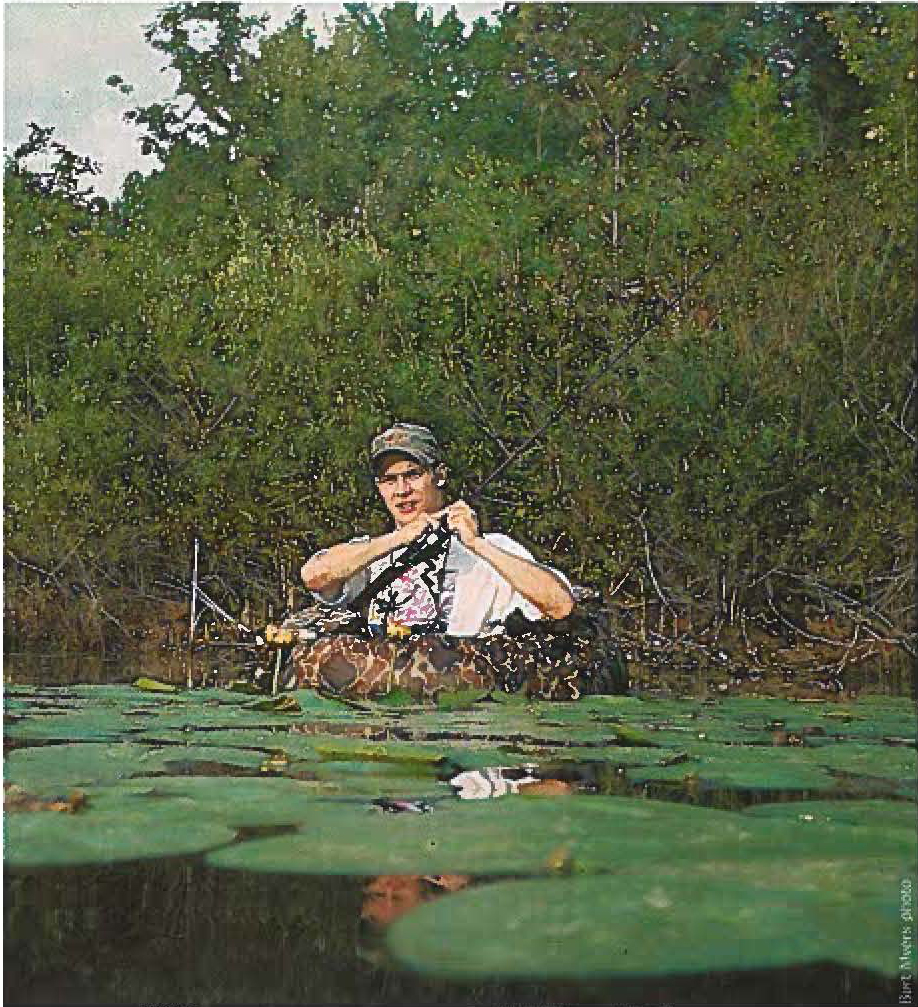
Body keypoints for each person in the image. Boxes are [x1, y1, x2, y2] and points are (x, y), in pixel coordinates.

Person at [280, 423, 625, 700]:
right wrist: (401, 537)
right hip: (380, 697)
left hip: (459, 697)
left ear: (439, 476)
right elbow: (314, 575)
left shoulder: (491, 548)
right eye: (389, 480)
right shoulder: (369, 554)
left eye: (412, 475)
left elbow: (560, 604)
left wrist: (476, 544)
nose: (401, 491)